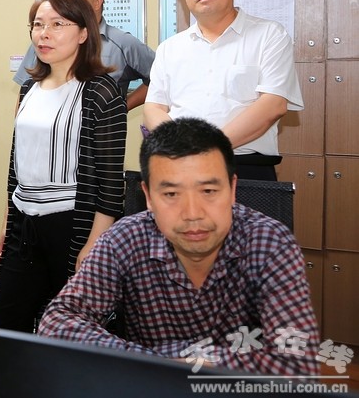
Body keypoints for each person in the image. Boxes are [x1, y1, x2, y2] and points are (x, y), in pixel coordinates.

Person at [38, 117, 320, 377]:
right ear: (148, 196)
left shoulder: (269, 243)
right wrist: (162, 366)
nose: (192, 213)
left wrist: (171, 364)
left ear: (233, 190)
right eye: (171, 194)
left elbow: (298, 361)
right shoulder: (125, 239)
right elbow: (58, 322)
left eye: (208, 191)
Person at [0, 0, 127, 333]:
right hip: (24, 223)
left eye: (57, 24)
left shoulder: (101, 91)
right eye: (38, 24)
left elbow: (111, 183)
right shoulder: (29, 88)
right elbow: (17, 164)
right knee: (4, 326)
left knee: (69, 329)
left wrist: (94, 245)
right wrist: (7, 221)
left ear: (83, 33)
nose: (44, 33)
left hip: (72, 227)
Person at [144, 0, 303, 180]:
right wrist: (178, 148)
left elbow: (273, 105)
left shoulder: (269, 34)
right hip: (180, 165)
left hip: (245, 167)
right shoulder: (170, 48)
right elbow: (153, 108)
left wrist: (207, 150)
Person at [14, 0, 155, 112]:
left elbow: (159, 78)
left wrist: (119, 108)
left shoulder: (122, 42)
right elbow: (26, 89)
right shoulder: (45, 39)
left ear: (97, 2)